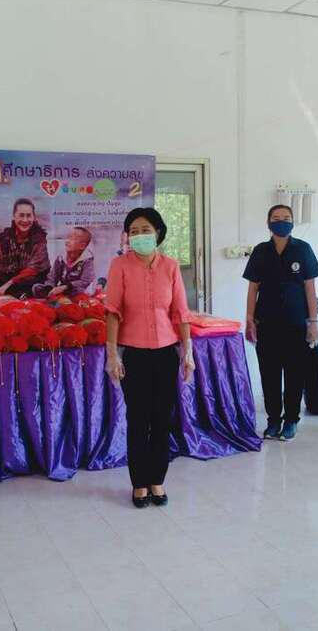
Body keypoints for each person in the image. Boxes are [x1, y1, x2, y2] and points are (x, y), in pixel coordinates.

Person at [104, 208, 194, 508]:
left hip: (166, 353)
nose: (139, 235)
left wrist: (187, 353)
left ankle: (157, 480)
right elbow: (112, 311)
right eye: (133, 231)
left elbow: (180, 312)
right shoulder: (120, 265)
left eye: (145, 230)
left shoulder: (170, 266)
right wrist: (112, 355)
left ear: (158, 233)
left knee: (162, 419)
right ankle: (139, 483)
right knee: (138, 419)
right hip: (135, 354)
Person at [243, 204, 318, 442]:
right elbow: (253, 288)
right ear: (268, 223)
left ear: (293, 222)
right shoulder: (260, 251)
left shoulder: (303, 249)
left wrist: (313, 321)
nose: (281, 221)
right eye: (276, 218)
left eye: (286, 218)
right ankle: (273, 420)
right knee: (269, 374)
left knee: (295, 373)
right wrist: (249, 319)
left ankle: (291, 420)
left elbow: (310, 287)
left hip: (296, 323)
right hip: (266, 322)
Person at [0, 198, 50, 298]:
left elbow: (33, 269)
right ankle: (8, 294)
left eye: (29, 216)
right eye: (21, 215)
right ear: (14, 216)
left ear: (34, 217)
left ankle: (19, 294)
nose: (25, 220)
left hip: (32, 277)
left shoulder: (39, 238)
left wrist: (9, 283)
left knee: (31, 284)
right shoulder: (7, 237)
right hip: (14, 276)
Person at [32, 226, 95, 298]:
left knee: (78, 295)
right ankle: (50, 296)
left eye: (72, 239)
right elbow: (53, 276)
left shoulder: (87, 260)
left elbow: (85, 281)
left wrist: (66, 286)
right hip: (62, 290)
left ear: (82, 246)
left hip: (77, 290)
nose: (67, 241)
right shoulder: (61, 257)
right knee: (36, 287)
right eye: (68, 237)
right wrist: (49, 287)